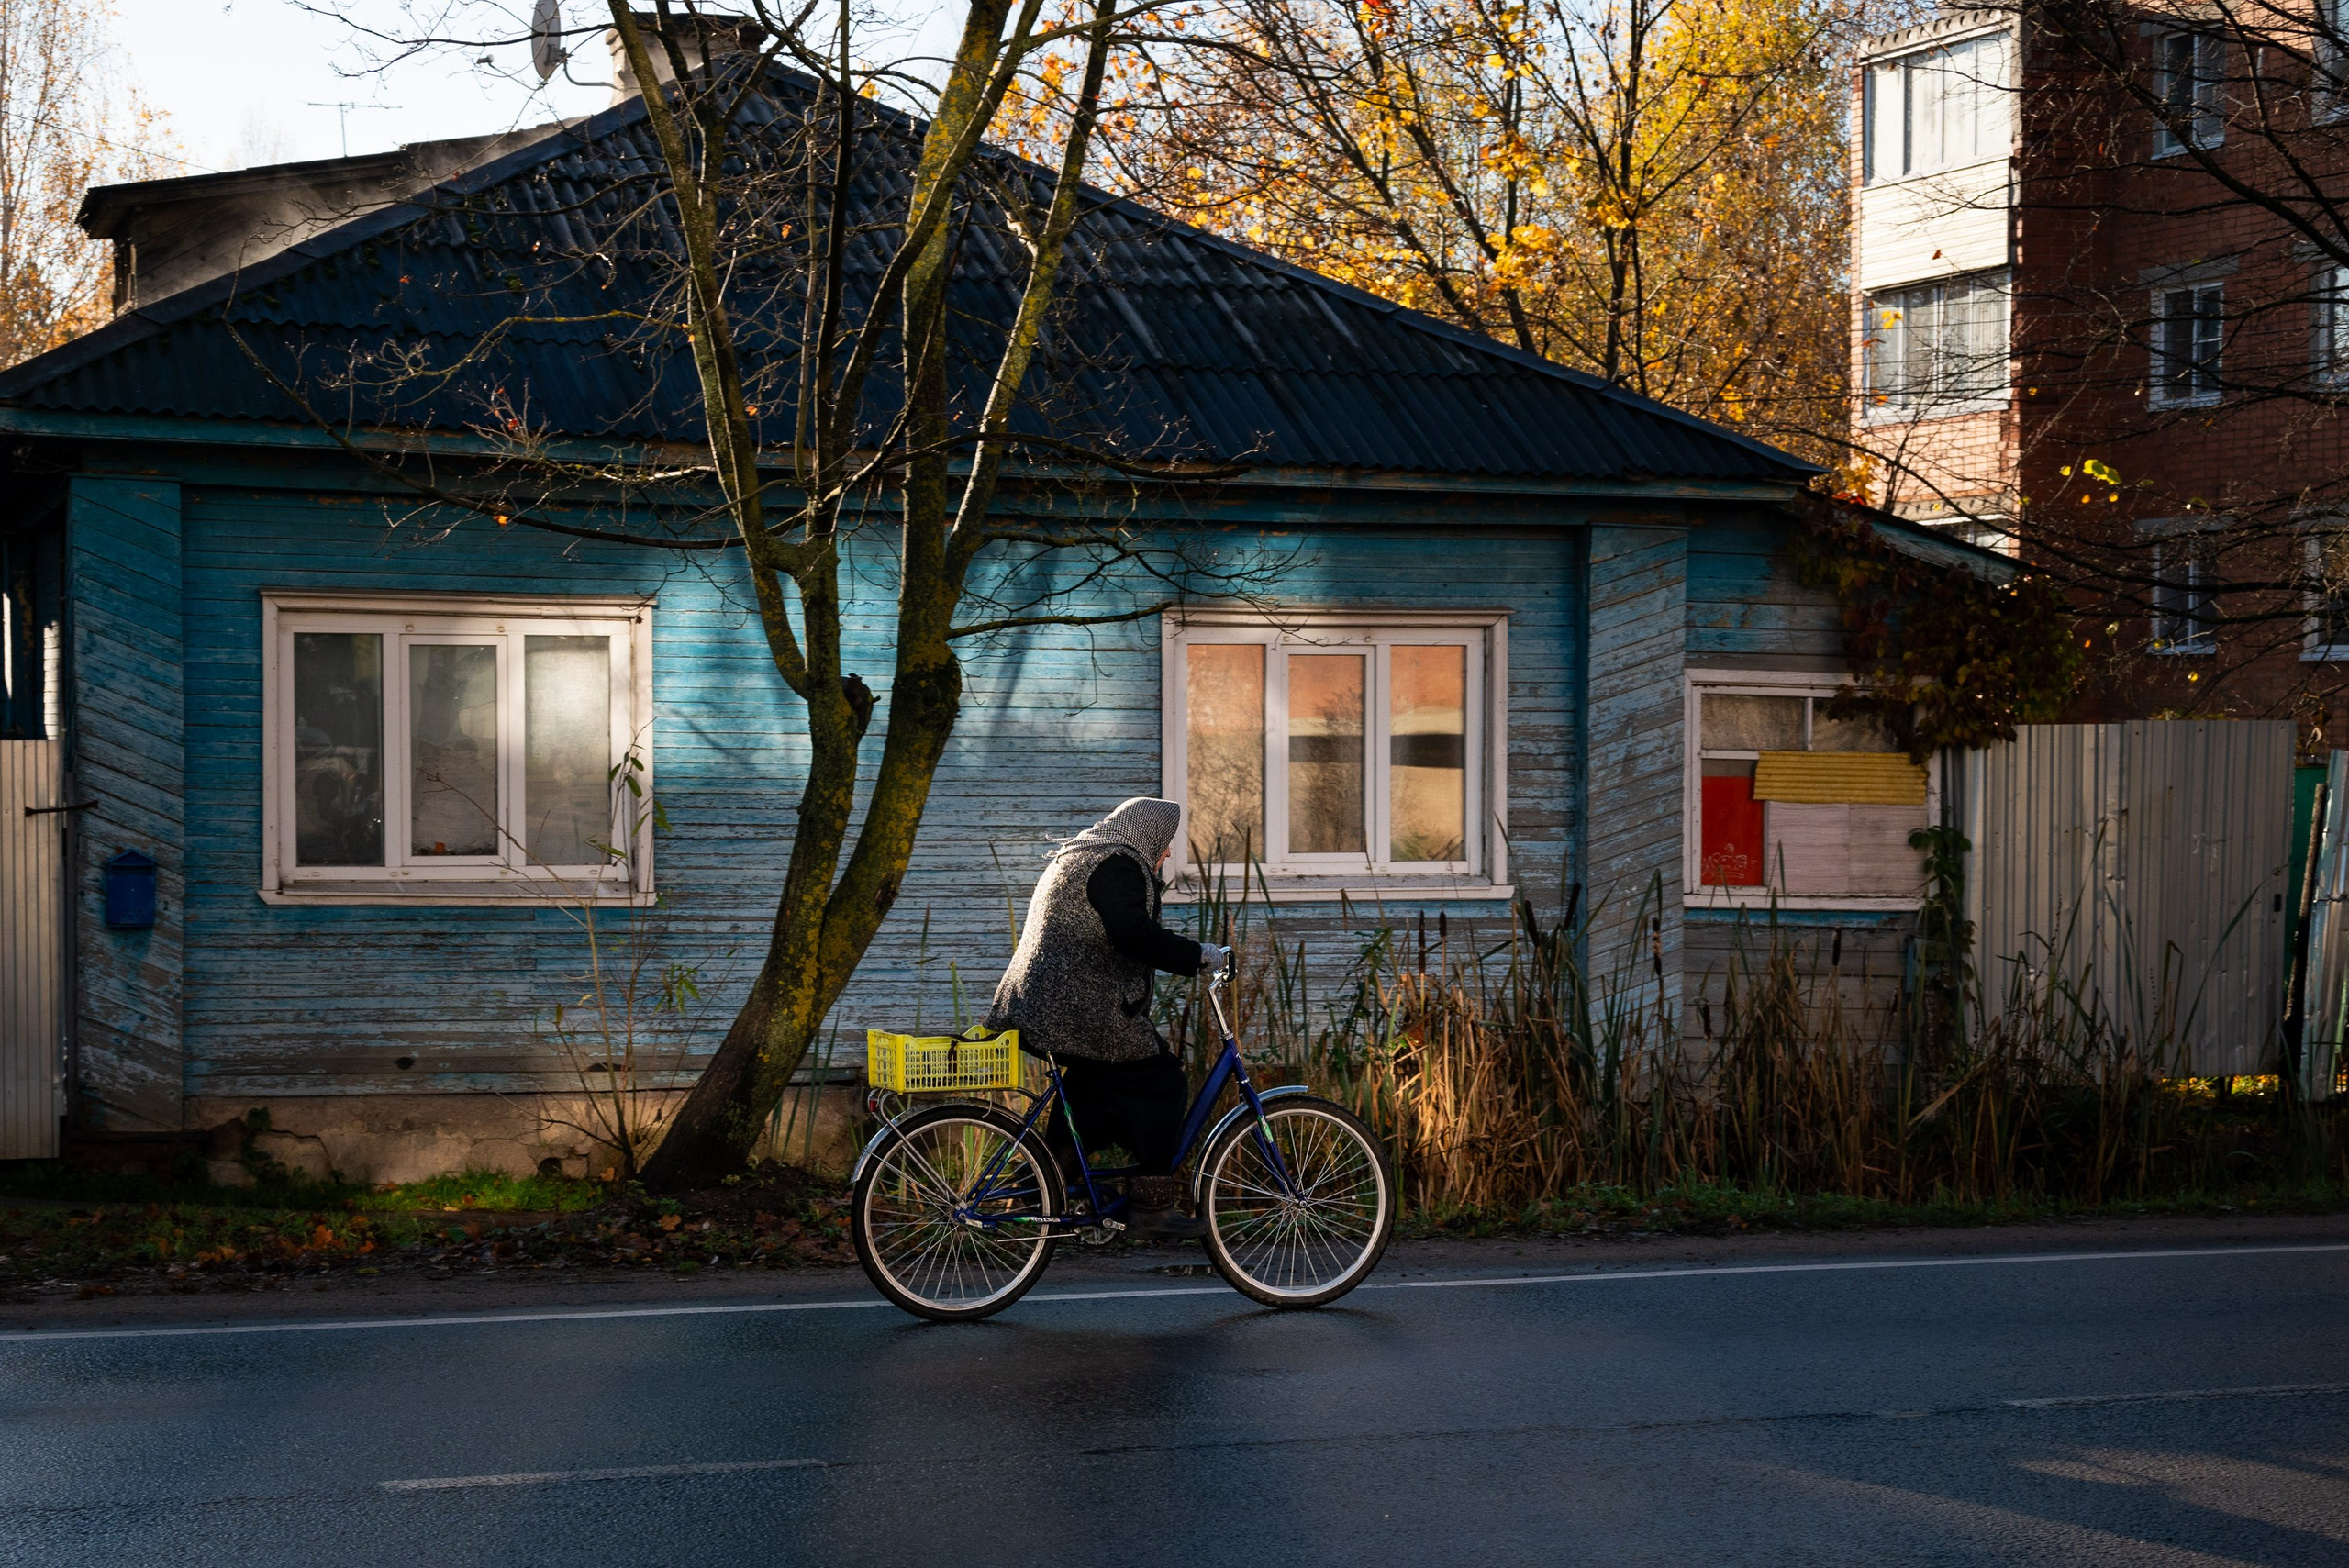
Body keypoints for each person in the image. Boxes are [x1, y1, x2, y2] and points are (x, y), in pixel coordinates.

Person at [985, 797, 1230, 1240]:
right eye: (1166, 842)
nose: (1168, 852)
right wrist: (1199, 956)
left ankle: (1040, 1180)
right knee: (1161, 1080)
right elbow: (1133, 934)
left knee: (1094, 1090)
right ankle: (1150, 1209)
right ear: (1148, 834)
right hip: (1073, 1007)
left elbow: (1124, 929)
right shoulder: (1116, 864)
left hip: (1042, 1003)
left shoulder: (1083, 855)